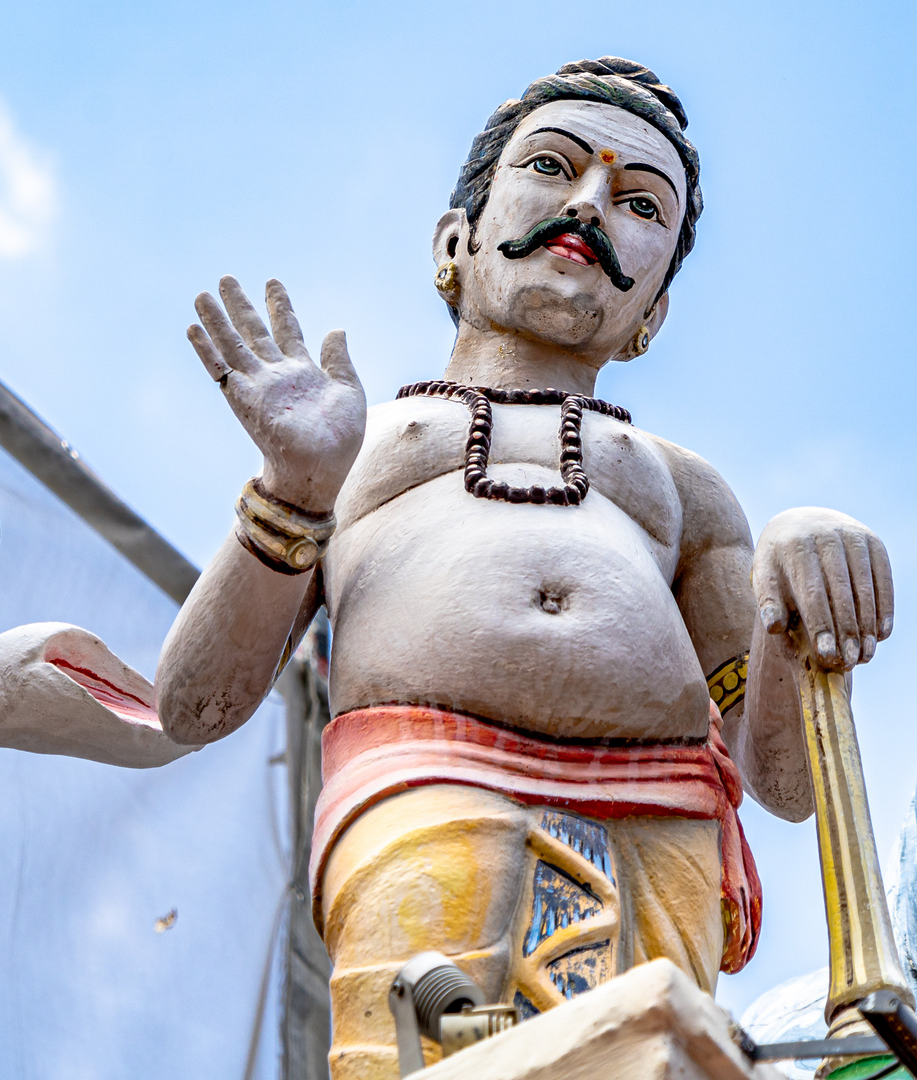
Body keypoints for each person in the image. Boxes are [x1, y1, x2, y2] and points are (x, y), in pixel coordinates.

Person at [155, 58, 894, 1079]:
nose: (589, 206)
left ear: (653, 316)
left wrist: (798, 605)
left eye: (640, 204)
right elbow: (193, 705)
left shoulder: (684, 489)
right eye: (552, 167)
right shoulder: (357, 444)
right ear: (454, 242)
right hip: (422, 796)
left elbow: (785, 782)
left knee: (647, 1055)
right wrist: (293, 489)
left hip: (661, 825)